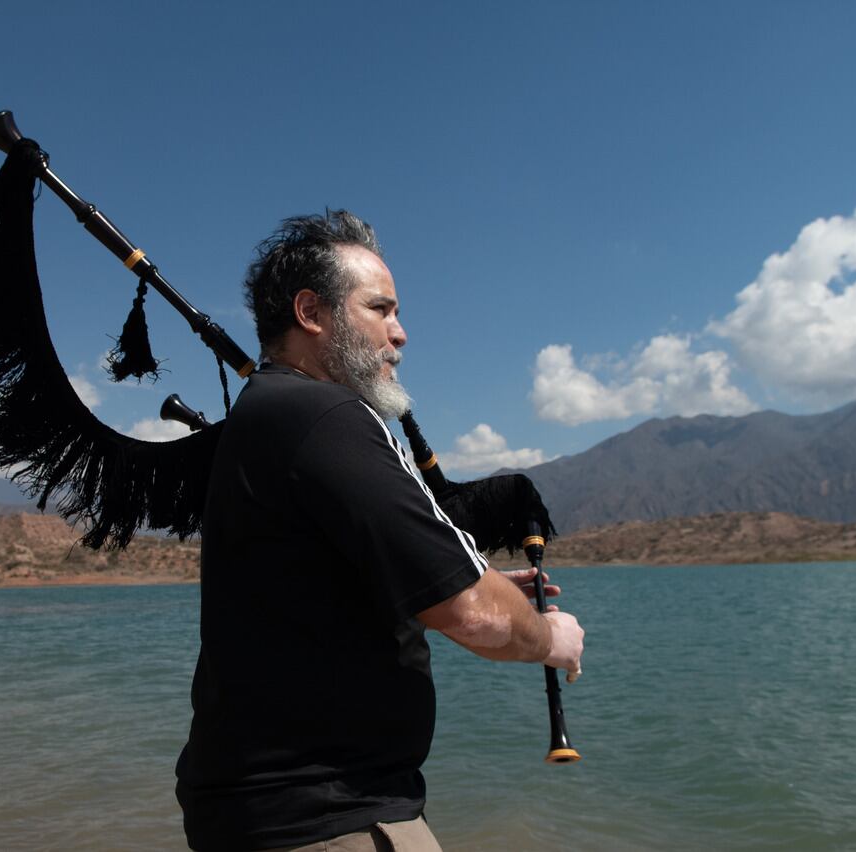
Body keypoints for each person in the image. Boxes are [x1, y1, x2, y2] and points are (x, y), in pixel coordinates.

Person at [175, 211, 584, 851]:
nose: (401, 334)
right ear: (312, 312)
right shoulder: (328, 413)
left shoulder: (267, 415)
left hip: (266, 814)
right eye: (381, 310)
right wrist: (551, 639)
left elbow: (318, 599)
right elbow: (476, 614)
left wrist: (438, 582)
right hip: (331, 819)